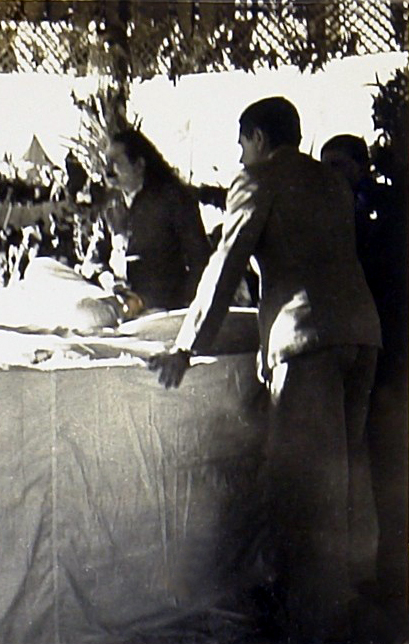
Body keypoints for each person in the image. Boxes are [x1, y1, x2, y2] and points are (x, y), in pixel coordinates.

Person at [149, 97, 392, 642]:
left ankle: (313, 622)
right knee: (349, 476)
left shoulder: (258, 180)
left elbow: (225, 265)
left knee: (305, 487)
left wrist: (186, 347)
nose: (239, 154)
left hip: (305, 341)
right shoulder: (329, 181)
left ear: (257, 137)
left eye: (241, 143)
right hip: (360, 333)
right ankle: (352, 604)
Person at [322, 135, 409, 609]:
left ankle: (396, 581)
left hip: (393, 352)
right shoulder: (340, 210)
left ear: (362, 166)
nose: (331, 175)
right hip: (371, 350)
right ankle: (385, 572)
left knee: (392, 467)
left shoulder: (381, 210)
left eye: (339, 165)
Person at [83, 128, 212, 312]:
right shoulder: (111, 207)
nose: (107, 170)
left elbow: (200, 260)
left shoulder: (174, 199)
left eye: (116, 162)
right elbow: (92, 261)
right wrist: (107, 280)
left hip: (164, 311)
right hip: (119, 308)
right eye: (106, 162)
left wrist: (183, 306)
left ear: (139, 165)